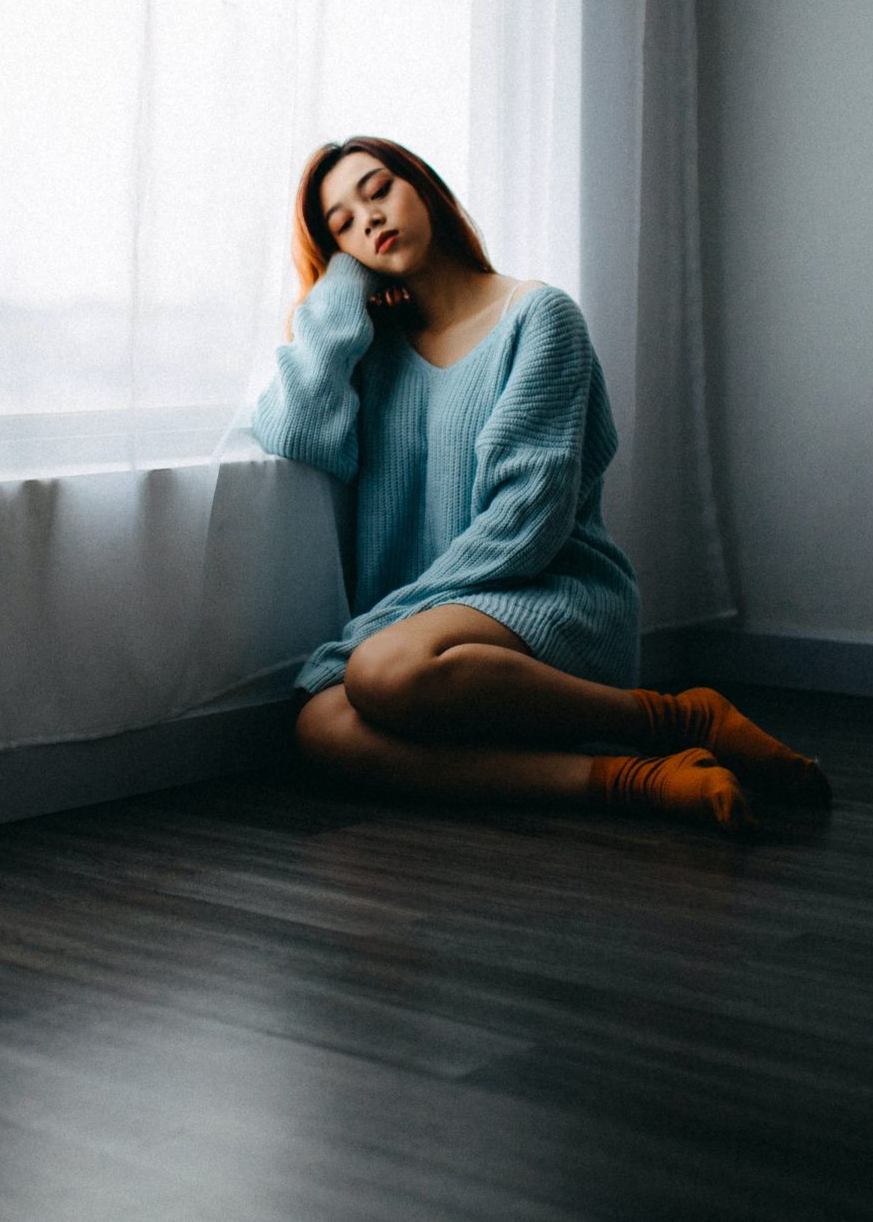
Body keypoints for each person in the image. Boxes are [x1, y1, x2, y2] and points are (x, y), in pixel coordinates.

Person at [251, 136, 830, 835]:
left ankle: (675, 715)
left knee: (377, 671)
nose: (369, 218)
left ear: (425, 186)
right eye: (342, 223)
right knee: (321, 727)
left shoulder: (538, 317)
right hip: (426, 643)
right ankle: (625, 779)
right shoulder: (373, 353)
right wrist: (342, 283)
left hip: (547, 595)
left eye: (378, 189)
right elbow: (296, 428)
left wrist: (380, 630)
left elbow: (528, 519)